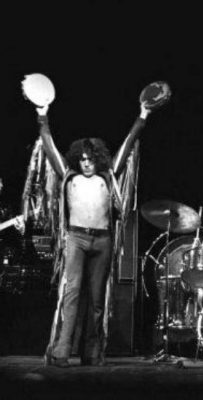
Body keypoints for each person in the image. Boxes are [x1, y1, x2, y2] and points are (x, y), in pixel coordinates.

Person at [35, 99, 151, 367]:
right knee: (72, 294)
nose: (86, 163)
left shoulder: (107, 177)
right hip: (76, 238)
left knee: (97, 299)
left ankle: (92, 353)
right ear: (77, 159)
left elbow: (127, 145)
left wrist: (142, 116)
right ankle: (61, 352)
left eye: (90, 159)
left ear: (98, 158)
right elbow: (50, 148)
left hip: (102, 240)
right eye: (82, 159)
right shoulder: (69, 176)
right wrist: (42, 116)